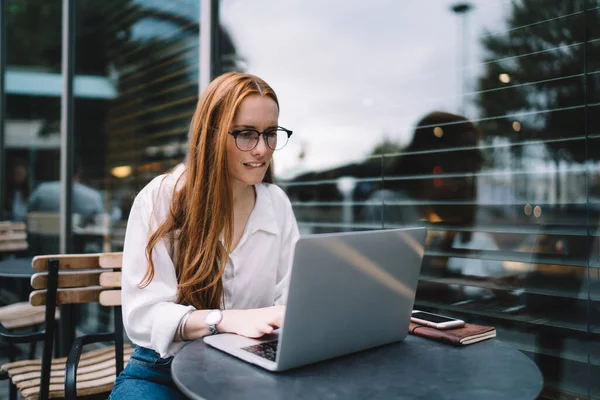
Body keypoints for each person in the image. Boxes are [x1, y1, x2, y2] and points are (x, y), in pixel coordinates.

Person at [109, 72, 300, 399]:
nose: (262, 149)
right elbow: (142, 317)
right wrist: (223, 320)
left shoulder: (276, 203)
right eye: (245, 134)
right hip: (163, 368)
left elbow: (292, 298)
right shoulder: (161, 198)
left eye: (270, 134)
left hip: (248, 365)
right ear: (211, 135)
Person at [4, 157, 30, 222]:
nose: (19, 177)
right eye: (17, 173)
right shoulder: (7, 192)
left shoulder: (30, 192)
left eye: (21, 174)